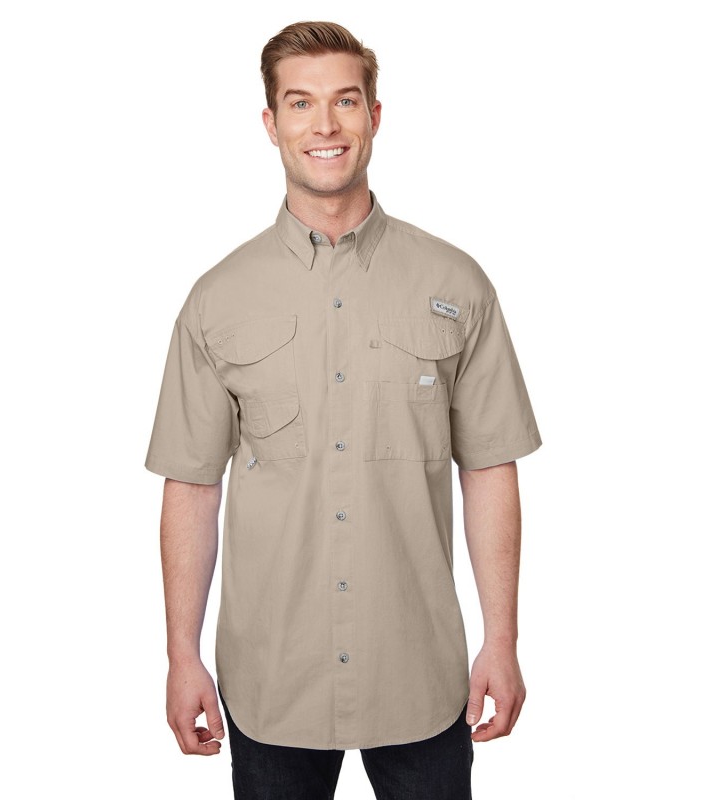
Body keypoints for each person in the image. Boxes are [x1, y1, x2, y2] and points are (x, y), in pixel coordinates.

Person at [145, 20, 542, 800]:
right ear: (271, 123)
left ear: (375, 115)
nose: (324, 125)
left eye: (345, 101)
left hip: (420, 673)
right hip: (271, 678)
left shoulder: (457, 284)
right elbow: (191, 485)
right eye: (301, 103)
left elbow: (490, 468)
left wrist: (503, 638)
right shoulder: (217, 300)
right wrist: (180, 655)